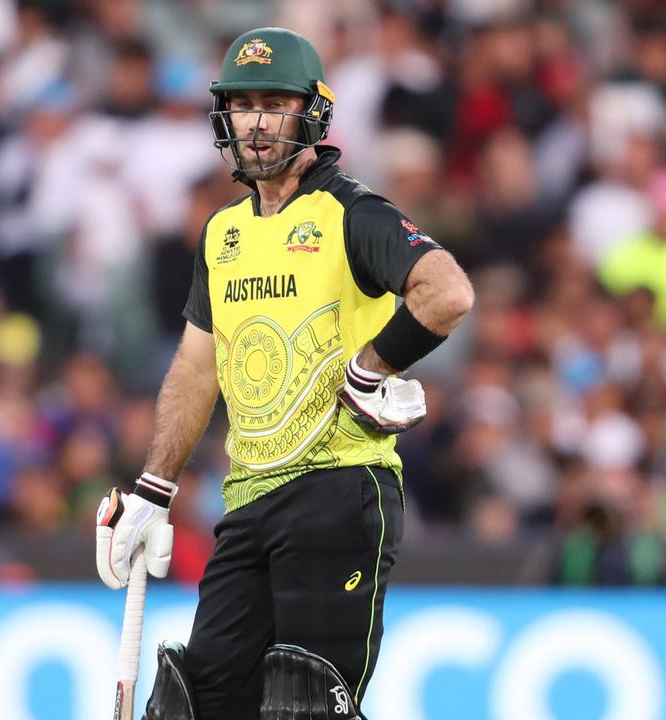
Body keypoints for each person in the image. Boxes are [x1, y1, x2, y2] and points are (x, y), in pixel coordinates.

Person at [95, 27, 474, 720]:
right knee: (192, 705)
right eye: (243, 105)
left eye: (276, 103)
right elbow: (195, 366)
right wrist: (155, 488)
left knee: (306, 706)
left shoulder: (352, 212)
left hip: (339, 487)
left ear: (312, 114)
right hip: (248, 501)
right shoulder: (221, 233)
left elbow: (446, 292)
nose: (259, 122)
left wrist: (369, 369)